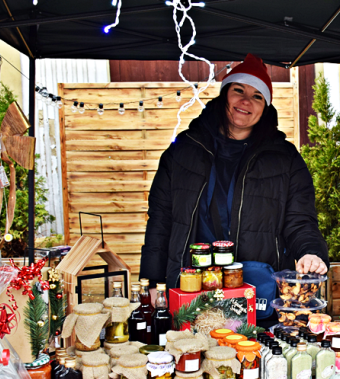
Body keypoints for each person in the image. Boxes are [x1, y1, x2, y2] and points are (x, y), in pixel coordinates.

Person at [140, 53, 329, 296]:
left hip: (259, 289)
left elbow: (300, 221)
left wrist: (311, 252)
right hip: (190, 287)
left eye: (257, 96)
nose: (246, 101)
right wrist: (153, 283)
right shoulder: (182, 151)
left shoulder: (286, 159)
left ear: (266, 107)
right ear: (224, 94)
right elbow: (160, 222)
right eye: (239, 90)